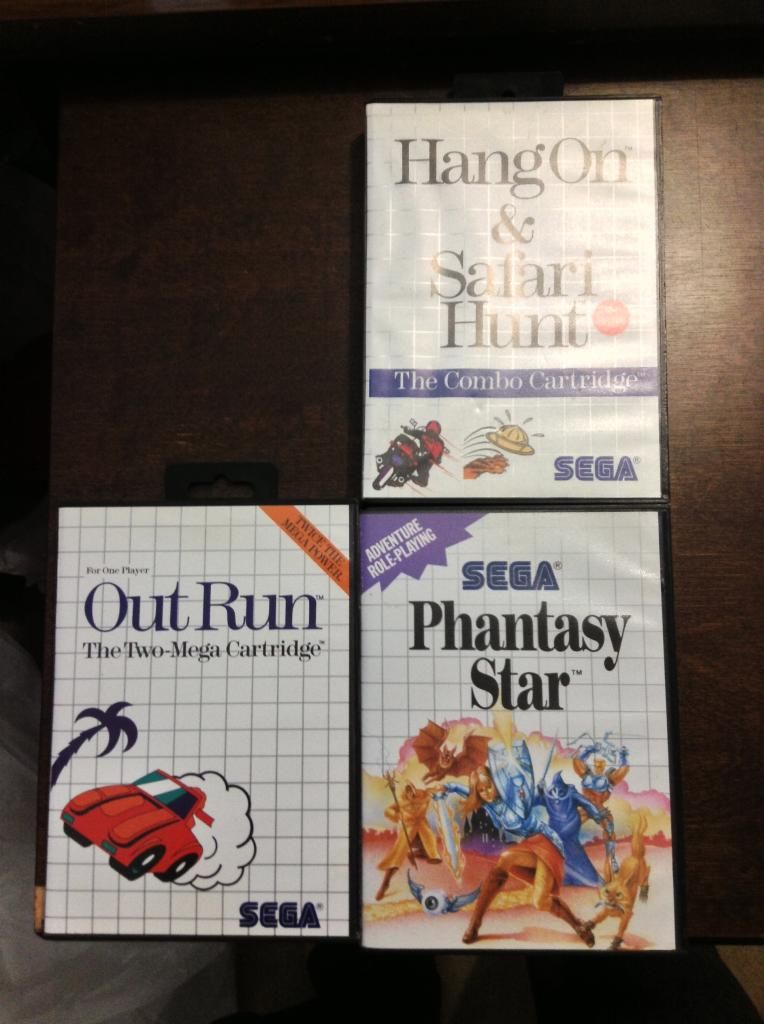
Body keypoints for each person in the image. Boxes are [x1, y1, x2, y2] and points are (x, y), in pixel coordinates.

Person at [443, 742, 594, 946]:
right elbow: (466, 793)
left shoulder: (512, 796)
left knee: (539, 901)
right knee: (509, 866)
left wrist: (519, 785)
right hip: (530, 845)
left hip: (546, 841)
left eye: (489, 787)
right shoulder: (489, 805)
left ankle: (578, 925)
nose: (487, 792)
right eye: (481, 790)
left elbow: (519, 782)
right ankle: (475, 924)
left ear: (497, 783)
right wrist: (450, 787)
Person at [375, 781, 441, 901]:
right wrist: (398, 816)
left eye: (412, 791)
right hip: (408, 830)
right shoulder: (401, 802)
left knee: (431, 851)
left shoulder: (423, 797)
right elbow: (388, 810)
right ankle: (385, 884)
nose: (410, 794)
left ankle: (413, 853)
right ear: (405, 793)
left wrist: (438, 790)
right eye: (408, 791)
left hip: (422, 829)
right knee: (396, 858)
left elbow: (431, 792)